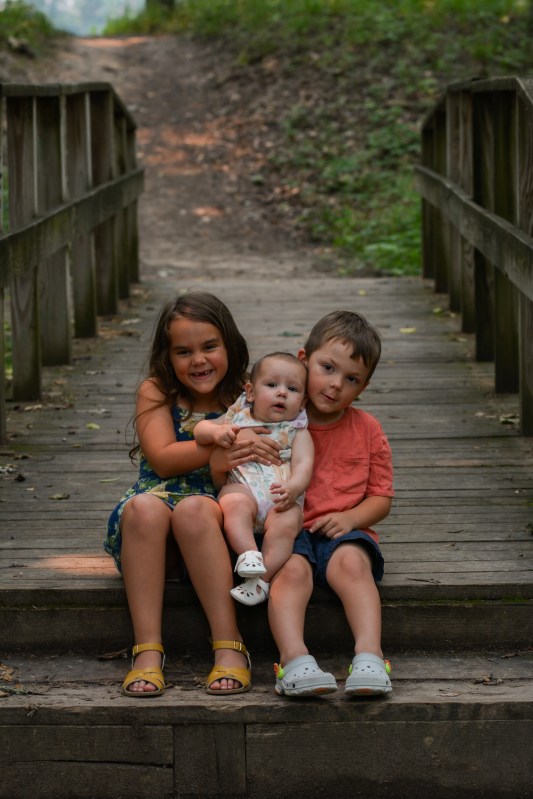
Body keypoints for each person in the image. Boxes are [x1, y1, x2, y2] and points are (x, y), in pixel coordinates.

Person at [104, 291, 279, 697]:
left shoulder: (246, 392)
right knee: (144, 509)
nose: (198, 360)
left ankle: (229, 644)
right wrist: (222, 445)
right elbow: (164, 460)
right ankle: (147, 650)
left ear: (229, 345)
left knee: (195, 510)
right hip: (155, 528)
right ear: (167, 356)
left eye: (209, 347)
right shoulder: (157, 391)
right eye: (183, 351)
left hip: (217, 518)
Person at [267, 310, 394, 698]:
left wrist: (351, 517)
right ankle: (293, 659)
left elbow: (381, 498)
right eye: (327, 368)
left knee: (352, 564)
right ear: (304, 360)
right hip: (291, 531)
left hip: (343, 533)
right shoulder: (279, 420)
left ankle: (370, 655)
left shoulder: (367, 429)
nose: (336, 384)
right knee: (290, 572)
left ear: (364, 386)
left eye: (352, 379)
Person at [194, 352, 314, 606]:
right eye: (272, 385)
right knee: (233, 500)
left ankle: (261, 580)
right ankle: (249, 554)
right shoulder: (237, 417)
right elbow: (200, 430)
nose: (282, 393)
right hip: (244, 490)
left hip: (280, 500)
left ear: (303, 402)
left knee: (287, 523)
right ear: (250, 392)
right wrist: (217, 432)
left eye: (292, 389)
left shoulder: (297, 430)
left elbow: (304, 464)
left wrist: (294, 488)